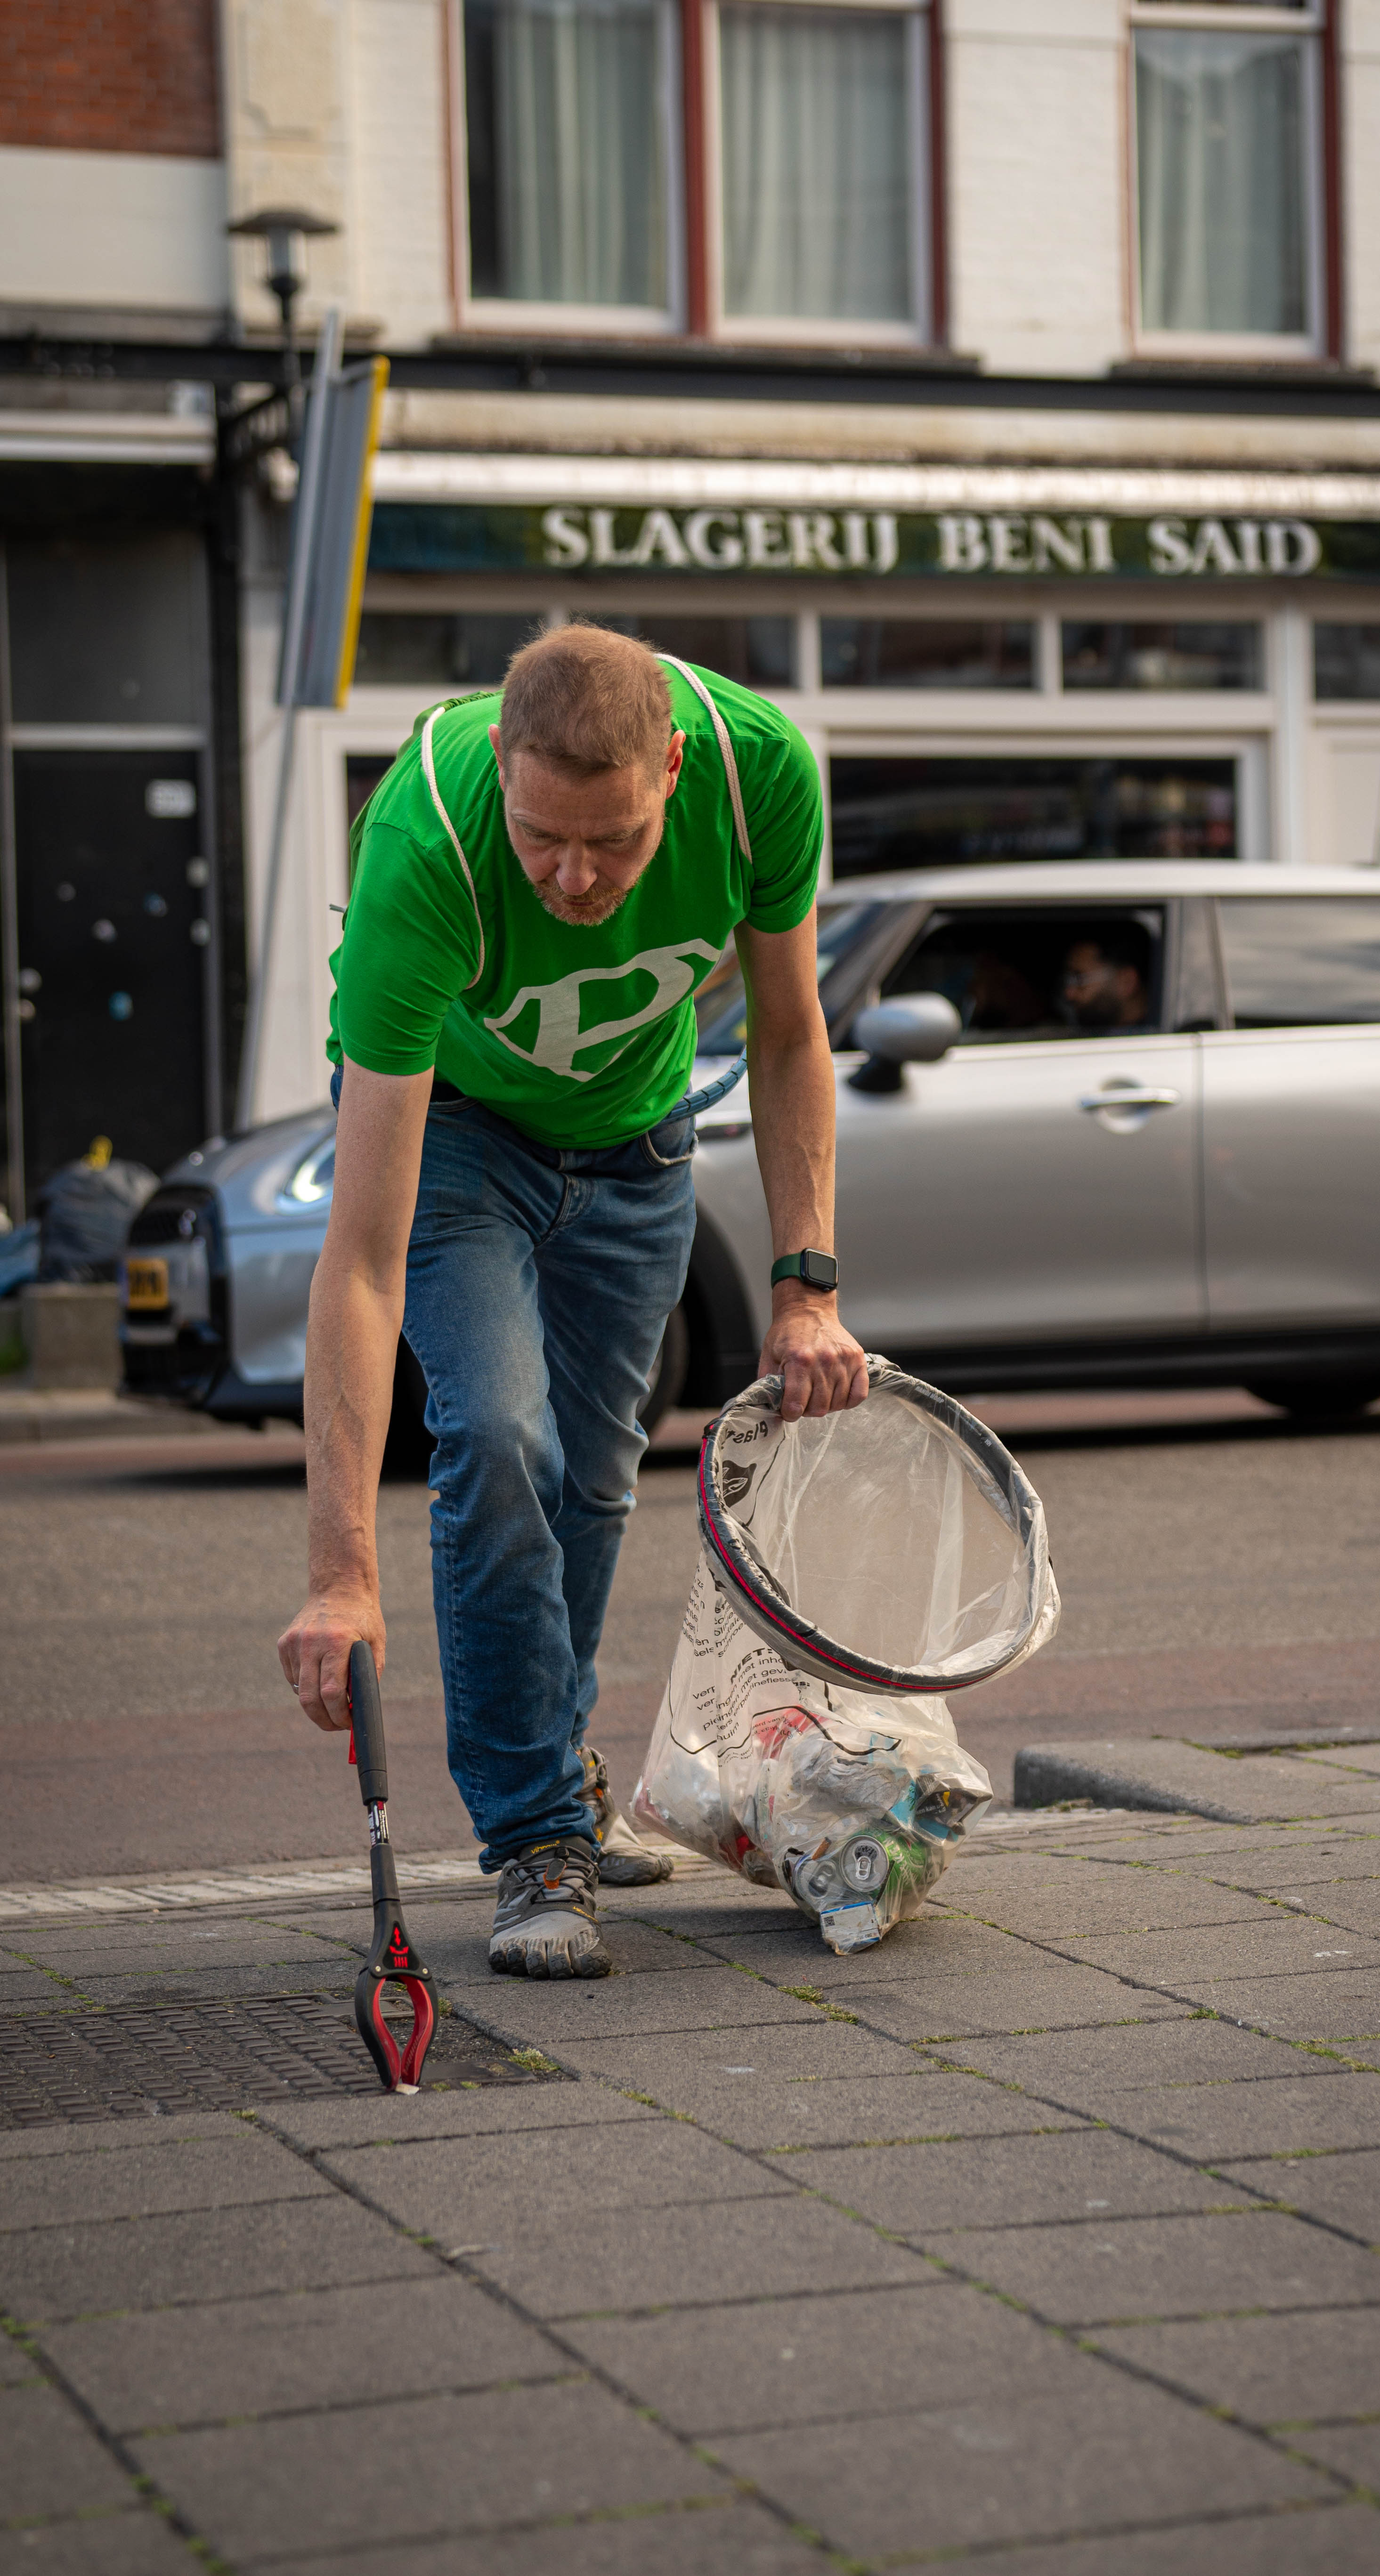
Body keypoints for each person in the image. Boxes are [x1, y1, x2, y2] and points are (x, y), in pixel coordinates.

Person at [278, 624, 868, 1978]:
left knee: (594, 1478)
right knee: (497, 1438)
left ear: (671, 768)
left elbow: (788, 1032)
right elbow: (360, 1260)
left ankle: (561, 1773)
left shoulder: (757, 768)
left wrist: (806, 1286)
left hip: (640, 1139)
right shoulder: (425, 847)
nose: (575, 875)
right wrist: (338, 1574)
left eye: (613, 840)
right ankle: (536, 1834)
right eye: (544, 837)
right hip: (461, 1140)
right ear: (500, 764)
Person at [1061, 932, 1155, 1030]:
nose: (1069, 994)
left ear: (1127, 981)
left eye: (1079, 979)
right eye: (1069, 980)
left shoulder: (1156, 1039)